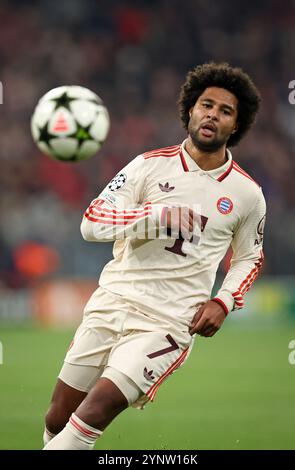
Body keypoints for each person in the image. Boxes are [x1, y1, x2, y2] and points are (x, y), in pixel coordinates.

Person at [43, 62, 266, 450]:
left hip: (168, 322)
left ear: (236, 126)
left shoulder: (247, 195)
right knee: (58, 418)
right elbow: (91, 222)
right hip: (111, 302)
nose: (212, 113)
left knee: (93, 412)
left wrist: (223, 300)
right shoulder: (148, 165)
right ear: (190, 111)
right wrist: (154, 215)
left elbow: (250, 257)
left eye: (225, 110)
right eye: (205, 104)